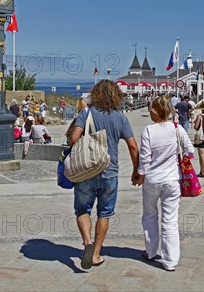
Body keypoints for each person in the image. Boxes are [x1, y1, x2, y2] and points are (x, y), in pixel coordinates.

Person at [69, 80, 140, 269]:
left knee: (82, 210)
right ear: (116, 95)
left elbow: (74, 138)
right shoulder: (121, 117)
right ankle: (96, 254)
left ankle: (87, 243)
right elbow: (133, 146)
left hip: (86, 171)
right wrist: (136, 170)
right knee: (104, 213)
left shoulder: (86, 113)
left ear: (96, 94)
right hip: (109, 171)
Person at [137, 95, 193, 272]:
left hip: (153, 179)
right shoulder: (177, 128)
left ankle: (151, 251)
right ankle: (170, 261)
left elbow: (145, 159)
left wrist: (139, 175)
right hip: (172, 180)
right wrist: (178, 157)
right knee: (170, 220)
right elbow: (190, 150)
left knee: (150, 215)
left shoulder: (148, 130)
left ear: (155, 111)